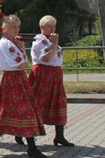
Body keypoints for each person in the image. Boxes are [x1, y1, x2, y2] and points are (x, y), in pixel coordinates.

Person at [0, 15, 47, 158]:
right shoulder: (5, 43)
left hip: (19, 78)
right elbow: (20, 63)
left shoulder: (14, 42)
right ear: (5, 28)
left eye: (18, 27)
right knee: (24, 111)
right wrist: (23, 60)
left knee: (15, 112)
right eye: (14, 27)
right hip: (12, 79)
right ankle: (31, 147)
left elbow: (23, 60)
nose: (17, 30)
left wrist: (22, 48)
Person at [29, 15, 74, 147]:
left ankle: (59, 136)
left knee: (58, 102)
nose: (52, 29)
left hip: (55, 74)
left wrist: (55, 44)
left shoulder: (51, 40)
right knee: (39, 103)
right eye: (50, 26)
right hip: (43, 74)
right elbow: (47, 58)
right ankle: (27, 135)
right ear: (42, 27)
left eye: (54, 26)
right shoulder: (40, 41)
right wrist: (54, 43)